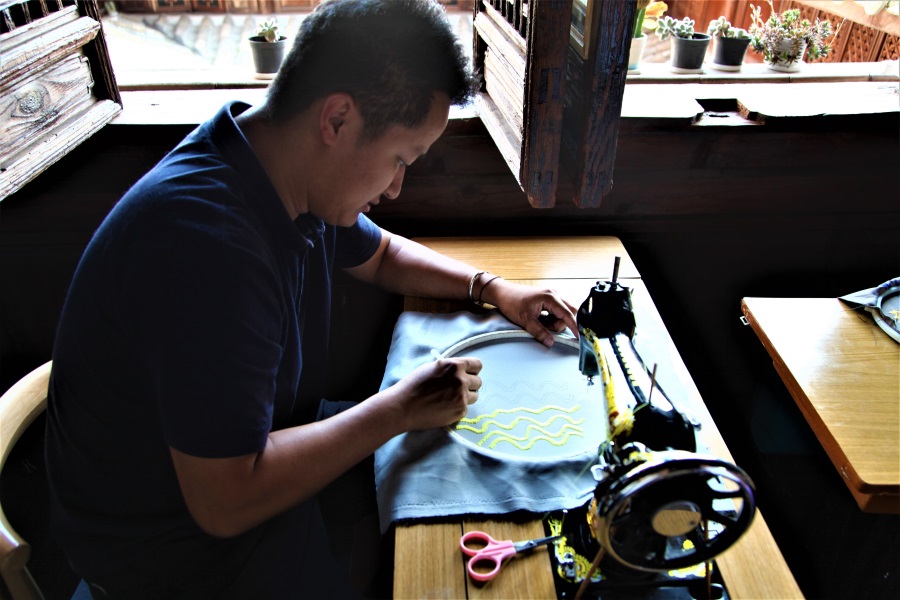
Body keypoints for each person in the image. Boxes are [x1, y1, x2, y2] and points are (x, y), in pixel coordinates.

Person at [45, 0, 578, 597]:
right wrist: (399, 408)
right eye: (399, 160)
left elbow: (381, 254)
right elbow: (225, 501)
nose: (396, 188)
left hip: (252, 451)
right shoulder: (208, 248)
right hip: (172, 547)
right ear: (338, 119)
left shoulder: (272, 161)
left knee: (436, 467)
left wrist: (493, 288)